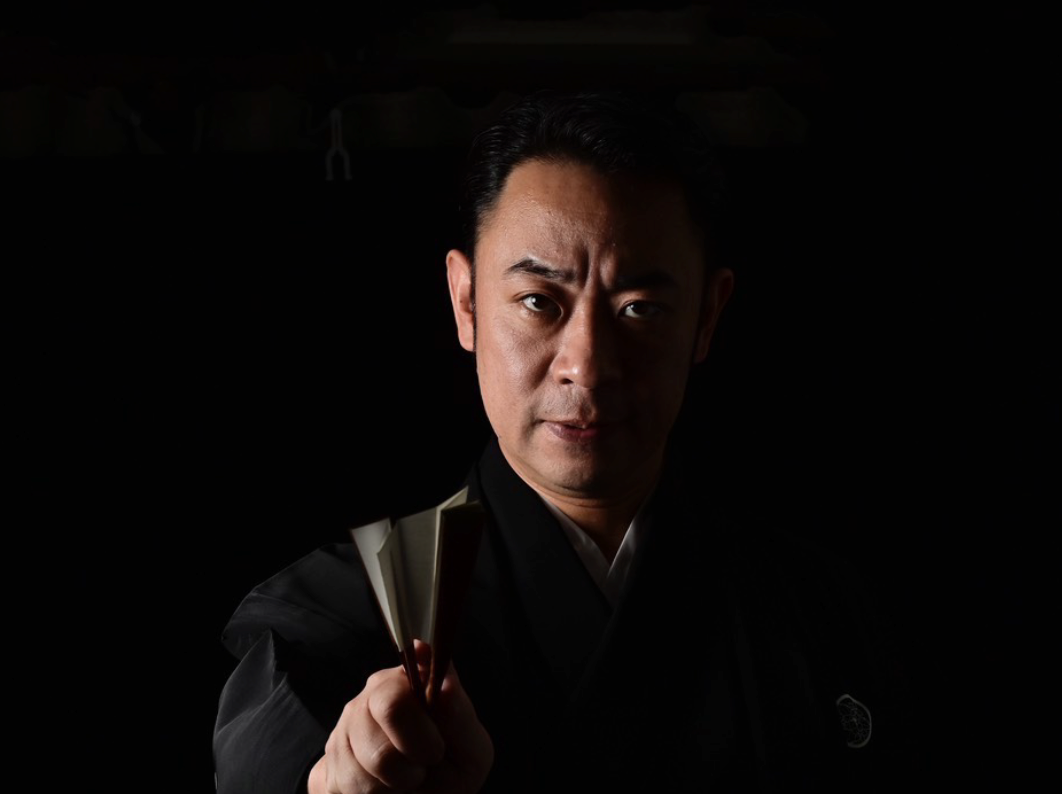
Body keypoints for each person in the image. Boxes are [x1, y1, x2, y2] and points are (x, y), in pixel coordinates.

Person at [214, 88, 918, 793]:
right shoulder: (334, 617)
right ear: (466, 302)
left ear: (707, 315)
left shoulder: (822, 611)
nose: (587, 363)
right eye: (538, 302)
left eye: (639, 308)